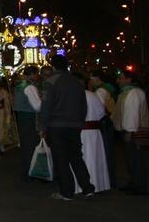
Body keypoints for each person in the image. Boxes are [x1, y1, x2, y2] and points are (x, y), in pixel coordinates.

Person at [39, 55, 95, 201]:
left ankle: (66, 192)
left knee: (61, 159)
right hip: (74, 125)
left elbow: (46, 107)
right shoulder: (77, 82)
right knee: (76, 157)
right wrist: (79, 122)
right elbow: (83, 106)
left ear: (53, 67)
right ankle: (87, 188)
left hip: (56, 126)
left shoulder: (50, 82)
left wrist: (43, 127)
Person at [112, 69, 149, 196]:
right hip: (130, 131)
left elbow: (131, 114)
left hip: (133, 132)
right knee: (132, 159)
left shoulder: (133, 93)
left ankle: (140, 185)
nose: (118, 80)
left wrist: (129, 131)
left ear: (129, 79)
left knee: (136, 159)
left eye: (121, 78)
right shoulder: (127, 92)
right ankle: (135, 182)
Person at [87, 71, 117, 188]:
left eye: (91, 79)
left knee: (106, 152)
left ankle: (109, 180)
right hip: (109, 121)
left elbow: (97, 108)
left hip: (104, 123)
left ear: (97, 79)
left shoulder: (100, 91)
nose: (90, 81)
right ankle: (110, 179)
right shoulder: (108, 88)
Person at [77, 88, 111, 193]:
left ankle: (81, 185)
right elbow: (101, 113)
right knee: (95, 157)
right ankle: (98, 184)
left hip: (80, 132)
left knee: (82, 157)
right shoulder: (93, 95)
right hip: (95, 133)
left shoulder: (73, 94)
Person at [14, 66, 42, 181]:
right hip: (30, 119)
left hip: (22, 118)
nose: (37, 77)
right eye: (36, 74)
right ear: (32, 74)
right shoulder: (30, 87)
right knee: (31, 146)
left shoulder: (19, 85)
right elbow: (37, 106)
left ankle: (26, 171)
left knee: (26, 146)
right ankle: (31, 172)